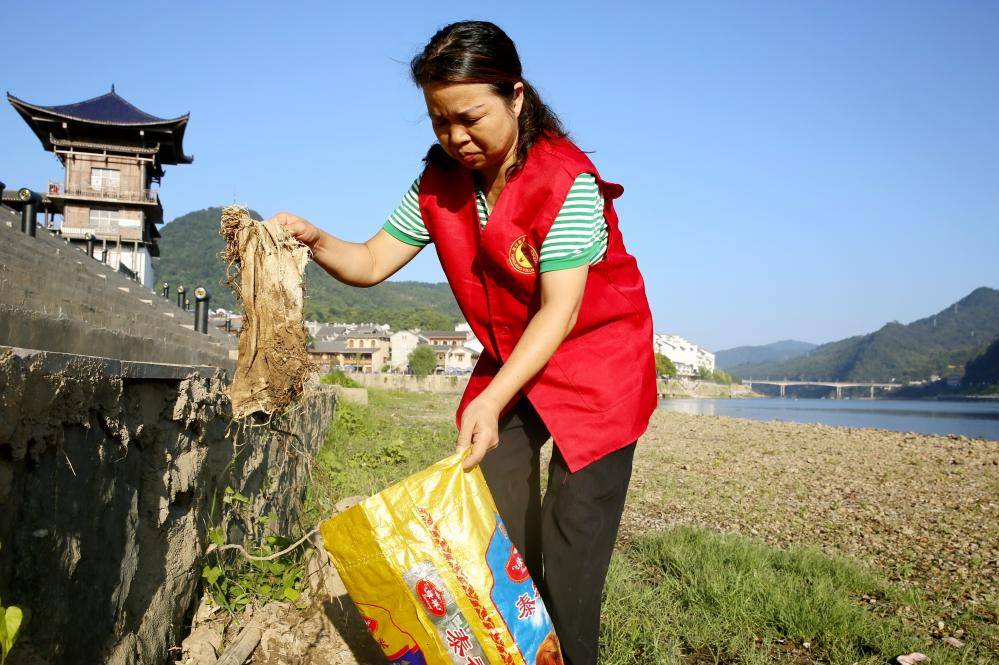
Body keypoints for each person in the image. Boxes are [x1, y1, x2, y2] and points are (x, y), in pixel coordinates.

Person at [271, 20, 657, 665]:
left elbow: (560, 312)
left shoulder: (568, 181)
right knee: (492, 522)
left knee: (573, 546)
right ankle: (513, 647)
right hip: (512, 357)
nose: (456, 137)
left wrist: (490, 399)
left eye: (471, 117)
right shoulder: (438, 183)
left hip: (596, 364)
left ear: (517, 97)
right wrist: (314, 240)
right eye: (439, 121)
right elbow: (368, 263)